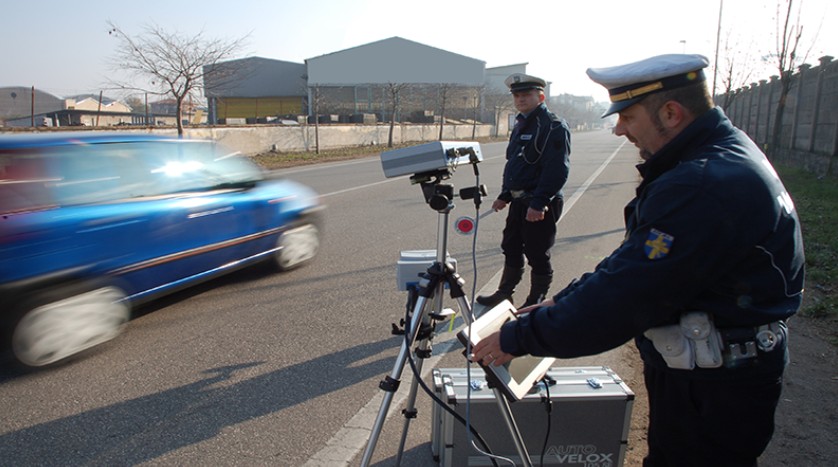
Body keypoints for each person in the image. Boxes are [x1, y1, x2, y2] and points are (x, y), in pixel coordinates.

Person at [471, 54, 805, 466]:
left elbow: (625, 298)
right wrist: (564, 300)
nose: (619, 129)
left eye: (627, 116)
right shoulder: (721, 151)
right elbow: (638, 260)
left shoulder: (700, 183)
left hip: (714, 387)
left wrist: (517, 338)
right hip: (721, 373)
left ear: (671, 112)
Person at [476, 73, 571, 309]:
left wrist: (538, 203)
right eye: (517, 95)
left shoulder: (553, 127)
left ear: (540, 96)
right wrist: (505, 195)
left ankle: (534, 302)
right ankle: (505, 293)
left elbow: (556, 169)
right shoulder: (521, 124)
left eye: (526, 94)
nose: (520, 99)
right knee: (511, 246)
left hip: (540, 203)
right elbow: (516, 164)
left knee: (537, 253)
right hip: (519, 201)